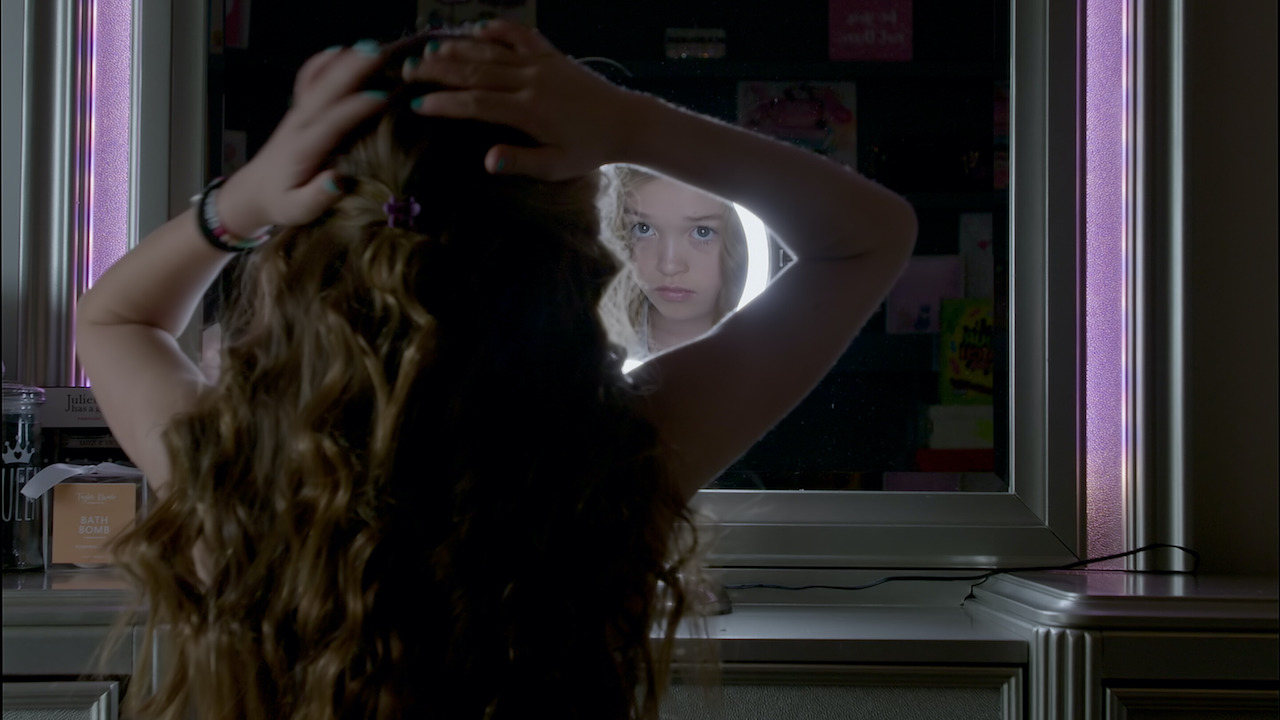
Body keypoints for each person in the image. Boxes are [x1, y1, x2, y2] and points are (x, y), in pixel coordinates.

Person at [75, 22, 916, 720]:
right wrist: (629, 123)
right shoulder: (613, 470)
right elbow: (867, 236)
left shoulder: (241, 480)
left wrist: (247, 198)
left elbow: (114, 318)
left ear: (313, 260)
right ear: (577, 256)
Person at [599, 165, 749, 359]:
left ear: (740, 240)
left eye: (702, 231)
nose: (668, 266)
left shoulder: (771, 347)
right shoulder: (587, 343)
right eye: (643, 228)